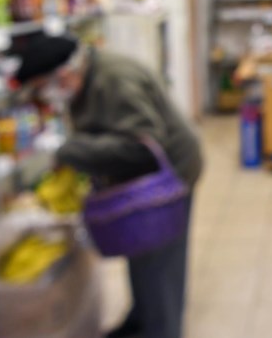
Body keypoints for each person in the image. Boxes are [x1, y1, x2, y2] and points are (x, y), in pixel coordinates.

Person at [14, 34, 203, 338]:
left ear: (63, 75)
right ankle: (140, 321)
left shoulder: (115, 79)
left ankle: (162, 329)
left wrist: (69, 150)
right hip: (138, 179)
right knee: (138, 247)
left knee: (161, 263)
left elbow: (141, 147)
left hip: (169, 175)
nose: (44, 97)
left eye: (41, 89)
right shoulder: (86, 77)